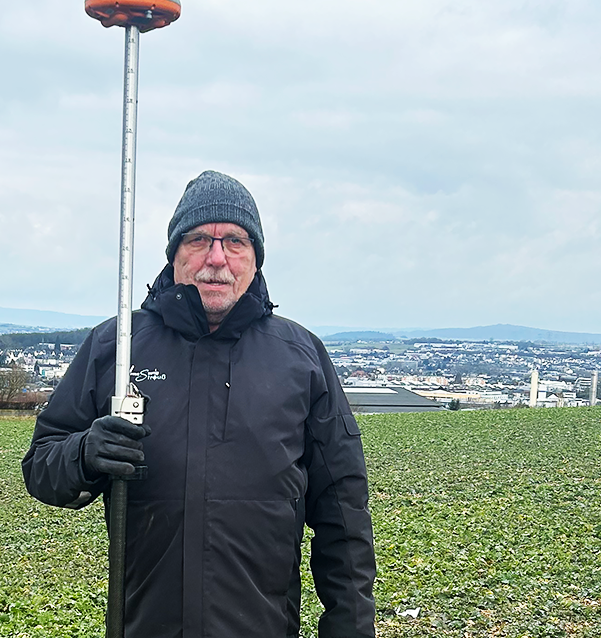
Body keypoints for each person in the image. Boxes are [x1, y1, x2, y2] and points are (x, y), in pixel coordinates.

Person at [22, 170, 376, 637]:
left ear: (255, 258)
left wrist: (349, 629)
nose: (216, 259)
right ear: (173, 256)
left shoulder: (301, 357)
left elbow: (343, 514)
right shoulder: (119, 346)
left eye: (234, 241)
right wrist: (85, 453)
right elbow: (42, 468)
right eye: (198, 241)